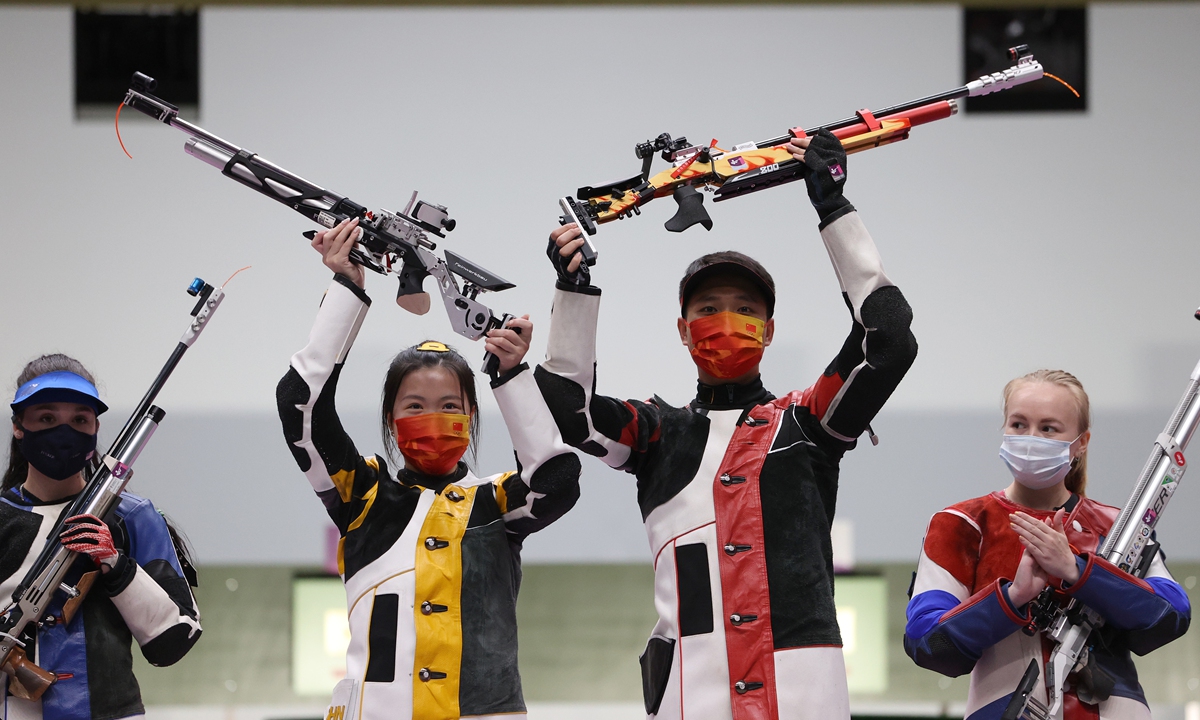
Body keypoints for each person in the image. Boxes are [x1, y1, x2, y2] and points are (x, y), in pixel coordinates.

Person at [537, 130, 918, 719]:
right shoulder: (655, 433)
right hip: (692, 696)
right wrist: (573, 288)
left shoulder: (808, 422)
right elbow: (571, 413)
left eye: (746, 310)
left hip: (803, 696)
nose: (726, 321)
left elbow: (889, 343)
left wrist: (834, 209)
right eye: (707, 309)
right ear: (683, 330)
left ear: (768, 331)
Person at [276, 219, 581, 720]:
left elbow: (557, 479)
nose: (431, 418)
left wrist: (511, 377)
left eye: (448, 406)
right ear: (391, 422)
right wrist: (348, 289)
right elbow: (298, 406)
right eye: (414, 406)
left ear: (471, 417)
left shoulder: (498, 502)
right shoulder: (363, 495)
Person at [904, 369, 1192, 719]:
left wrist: (1078, 572)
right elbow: (927, 642)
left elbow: (1172, 615)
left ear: (1081, 442)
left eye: (1049, 428)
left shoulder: (1118, 526)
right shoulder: (961, 524)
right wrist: (1013, 598)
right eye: (1019, 425)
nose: (1031, 438)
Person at [1, 355, 202, 720]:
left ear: (95, 429)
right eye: (47, 418)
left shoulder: (132, 517)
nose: (64, 433)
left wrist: (117, 565)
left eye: (79, 420)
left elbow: (175, 639)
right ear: (19, 425)